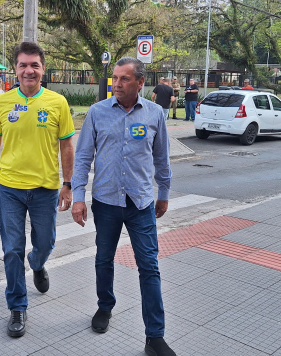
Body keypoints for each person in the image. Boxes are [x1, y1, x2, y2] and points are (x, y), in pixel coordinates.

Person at [71, 57, 176, 356]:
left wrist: (164, 192)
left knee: (150, 267)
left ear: (140, 83)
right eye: (114, 78)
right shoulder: (97, 112)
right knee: (104, 259)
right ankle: (105, 306)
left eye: (124, 79)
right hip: (106, 202)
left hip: (141, 203)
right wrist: (78, 196)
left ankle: (154, 336)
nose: (116, 84)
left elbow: (161, 159)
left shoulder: (155, 114)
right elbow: (82, 158)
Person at [0, 41, 75, 338]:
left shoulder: (57, 102)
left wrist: (67, 184)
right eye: (23, 65)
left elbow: (66, 146)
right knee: (11, 249)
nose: (29, 70)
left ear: (43, 69)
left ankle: (37, 263)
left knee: (46, 242)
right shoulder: (3, 101)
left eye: (34, 65)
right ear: (15, 68)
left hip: (46, 189)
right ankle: (17, 307)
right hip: (9, 187)